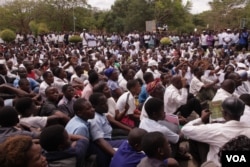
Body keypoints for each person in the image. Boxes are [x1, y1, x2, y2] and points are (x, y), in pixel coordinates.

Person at [181, 96, 250, 166]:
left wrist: (201, 119)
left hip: (216, 164)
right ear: (241, 113)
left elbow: (185, 129)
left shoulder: (216, 129)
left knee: (196, 139)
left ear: (224, 113)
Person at [89, 92, 124, 166]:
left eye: (106, 103)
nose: (106, 106)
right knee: (127, 143)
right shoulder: (94, 119)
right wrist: (117, 156)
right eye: (102, 104)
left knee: (128, 136)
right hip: (106, 140)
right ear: (94, 106)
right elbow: (100, 141)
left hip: (110, 136)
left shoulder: (102, 113)